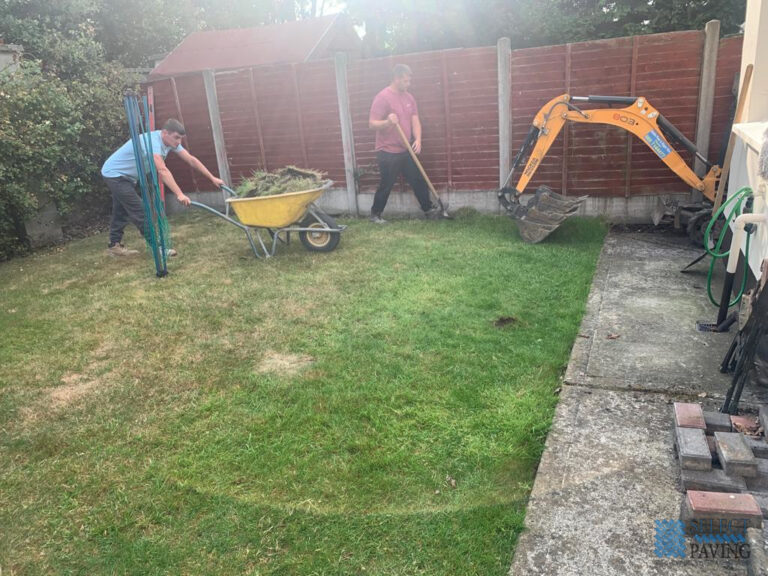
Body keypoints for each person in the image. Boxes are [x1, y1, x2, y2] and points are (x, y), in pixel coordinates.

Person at [100, 118, 224, 256]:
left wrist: (212, 178)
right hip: (114, 174)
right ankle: (159, 249)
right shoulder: (152, 142)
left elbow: (191, 159)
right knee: (141, 210)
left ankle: (113, 246)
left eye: (181, 139)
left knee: (120, 210)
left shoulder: (170, 142)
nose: (178, 142)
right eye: (176, 138)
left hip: (128, 177)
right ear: (165, 133)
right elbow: (162, 170)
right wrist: (179, 194)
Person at [368, 64, 440, 223]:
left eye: (409, 81)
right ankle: (375, 214)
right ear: (396, 79)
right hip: (387, 151)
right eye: (406, 81)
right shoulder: (382, 97)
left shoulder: (409, 97)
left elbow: (415, 120)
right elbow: (372, 124)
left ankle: (428, 210)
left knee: (417, 179)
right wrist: (387, 122)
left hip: (405, 148)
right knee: (386, 184)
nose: (409, 84)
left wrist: (418, 139)